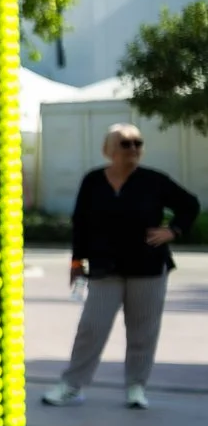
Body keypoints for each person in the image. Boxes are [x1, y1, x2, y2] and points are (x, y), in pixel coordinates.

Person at [43, 123, 198, 410]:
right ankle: (72, 386)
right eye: (126, 143)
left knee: (142, 331)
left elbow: (190, 204)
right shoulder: (93, 181)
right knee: (91, 327)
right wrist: (77, 263)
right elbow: (81, 225)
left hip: (148, 267)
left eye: (138, 143)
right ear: (109, 150)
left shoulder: (153, 180)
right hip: (105, 268)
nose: (134, 149)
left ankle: (136, 387)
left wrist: (173, 231)